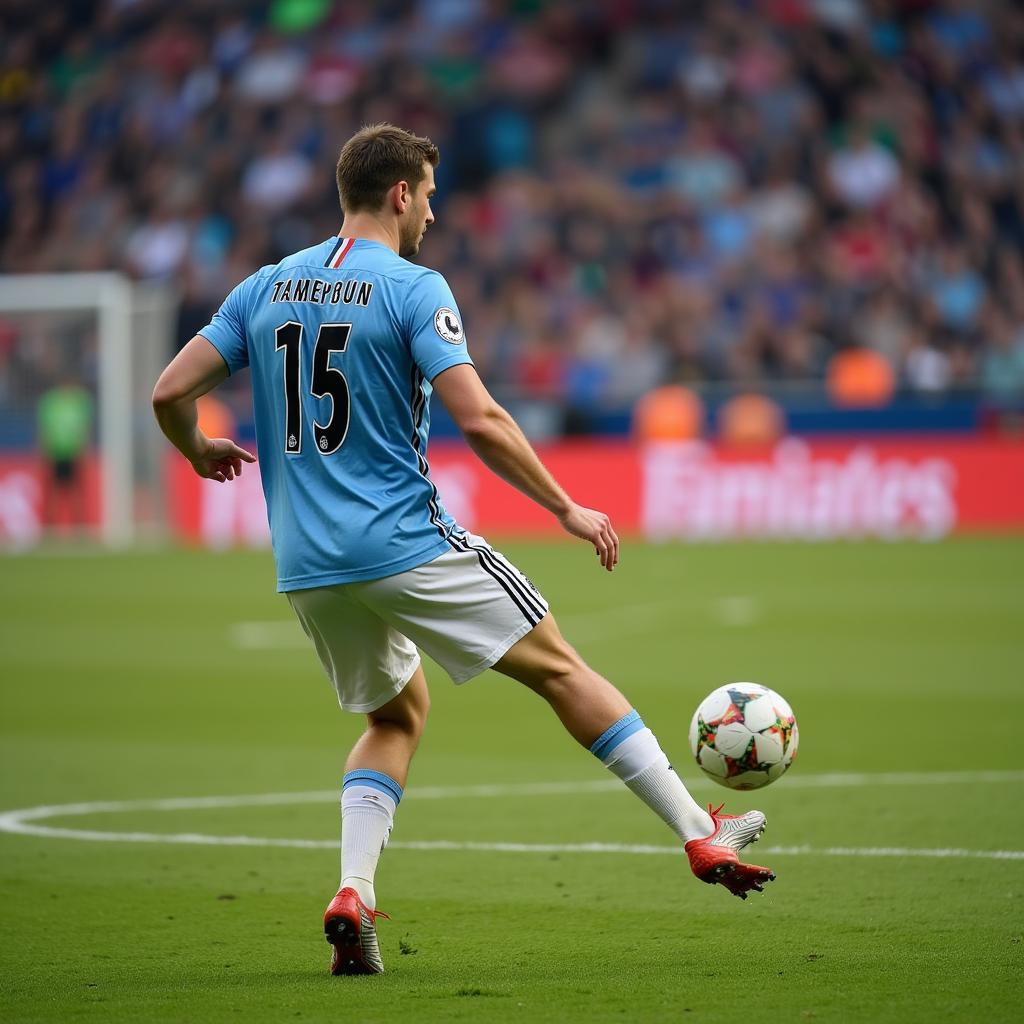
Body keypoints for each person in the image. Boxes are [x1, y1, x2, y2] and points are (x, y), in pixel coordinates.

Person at [152, 124, 774, 977]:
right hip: (403, 540)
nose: (435, 215)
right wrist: (564, 505)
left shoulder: (263, 286)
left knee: (394, 716)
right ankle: (700, 834)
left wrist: (195, 451)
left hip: (306, 563)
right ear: (401, 194)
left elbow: (169, 390)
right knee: (561, 668)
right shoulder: (413, 287)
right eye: (431, 197)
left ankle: (354, 893)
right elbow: (480, 418)